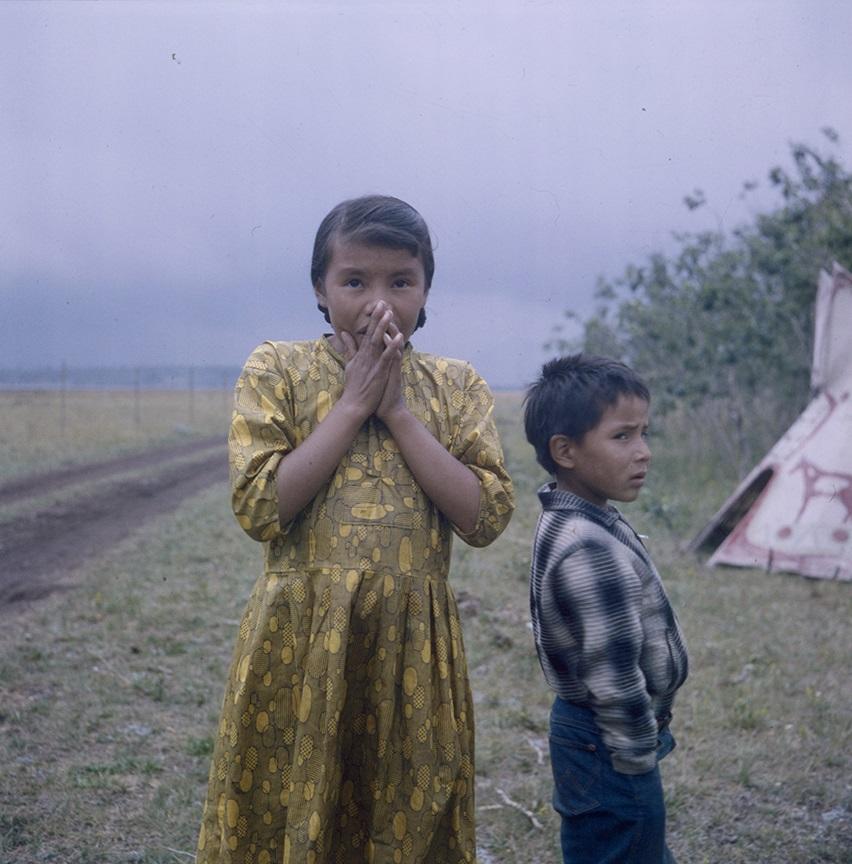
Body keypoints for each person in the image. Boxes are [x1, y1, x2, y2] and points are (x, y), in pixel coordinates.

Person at [197, 195, 514, 864]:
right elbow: (260, 508)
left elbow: (484, 516)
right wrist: (351, 404)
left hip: (412, 649)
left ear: (426, 288)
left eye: (401, 281)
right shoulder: (277, 370)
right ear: (320, 287)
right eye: (354, 281)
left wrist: (397, 410)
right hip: (301, 640)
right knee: (289, 802)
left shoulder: (456, 387)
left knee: (403, 807)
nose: (380, 303)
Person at [523, 355, 688, 864]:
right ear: (565, 451)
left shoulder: (578, 518)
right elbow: (613, 677)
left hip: (593, 738)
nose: (644, 453)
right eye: (622, 437)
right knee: (625, 843)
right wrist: (639, 758)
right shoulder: (588, 546)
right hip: (613, 746)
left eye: (644, 433)